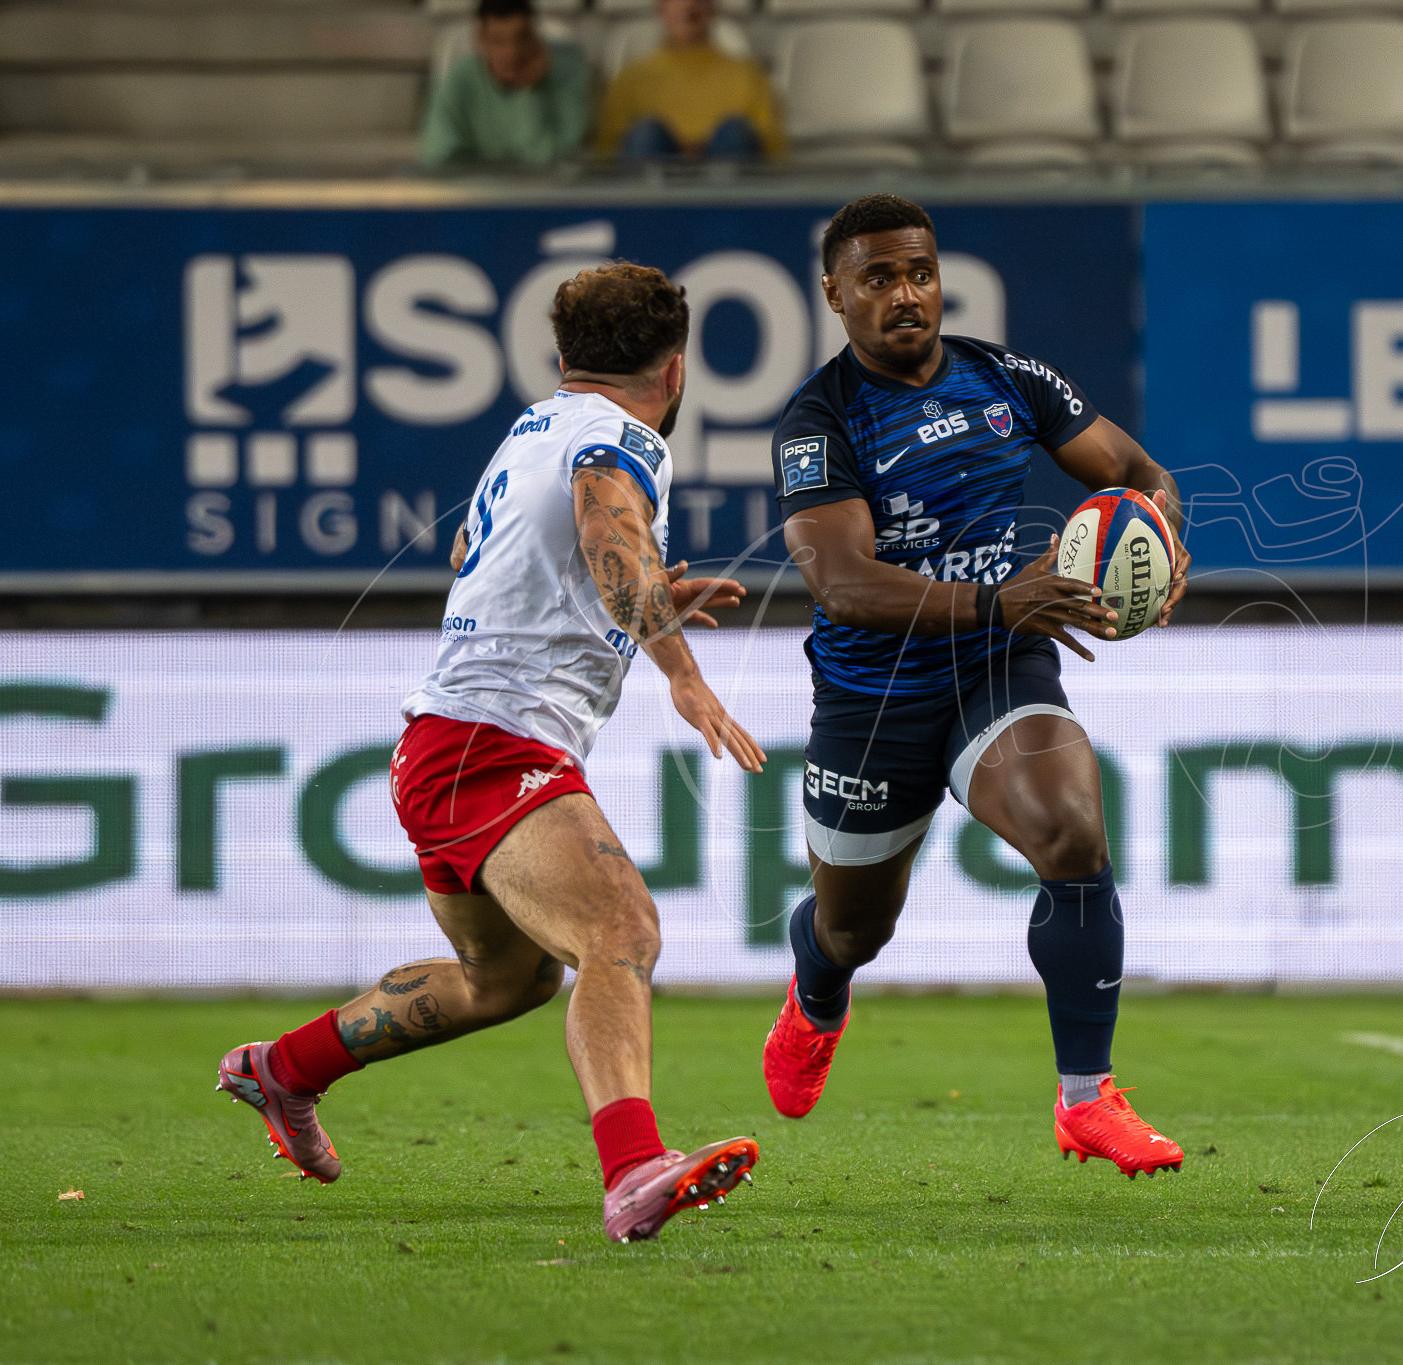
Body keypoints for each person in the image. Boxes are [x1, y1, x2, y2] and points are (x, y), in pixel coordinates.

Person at [216, 262, 770, 1245]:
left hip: (443, 742)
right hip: (492, 741)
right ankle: (635, 1169)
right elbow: (610, 529)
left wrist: (631, 599)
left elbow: (488, 560)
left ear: (563, 358)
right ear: (676, 370)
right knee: (620, 932)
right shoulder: (619, 435)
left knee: (505, 979)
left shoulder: (532, 429)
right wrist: (677, 665)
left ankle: (285, 1069)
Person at [761, 195, 1192, 1179]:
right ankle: (816, 989)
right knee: (852, 925)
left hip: (999, 667)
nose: (904, 294)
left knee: (1070, 831)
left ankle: (1086, 1097)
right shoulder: (817, 422)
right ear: (834, 294)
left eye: (917, 272)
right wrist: (1000, 600)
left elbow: (1132, 469)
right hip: (872, 704)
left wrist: (1161, 545)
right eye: (876, 278)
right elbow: (841, 581)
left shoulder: (1006, 378)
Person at [595, 0, 786, 164]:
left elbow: (774, 151)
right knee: (646, 135)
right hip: (655, 186)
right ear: (661, 7)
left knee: (734, 133)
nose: (689, 6)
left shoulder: (748, 75)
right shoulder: (631, 78)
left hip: (726, 184)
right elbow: (607, 152)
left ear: (713, 7)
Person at [420, 0, 588, 169]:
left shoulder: (567, 76)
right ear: (481, 40)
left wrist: (528, 89)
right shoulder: (460, 79)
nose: (512, 53)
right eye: (498, 41)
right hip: (475, 188)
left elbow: (560, 160)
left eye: (521, 38)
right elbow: (437, 154)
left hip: (545, 191)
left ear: (535, 36)